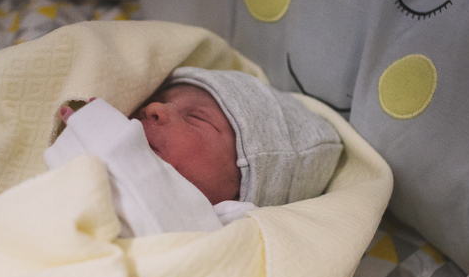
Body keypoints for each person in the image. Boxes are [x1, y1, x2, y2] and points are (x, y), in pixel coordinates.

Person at [44, 67, 343, 238]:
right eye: (160, 98)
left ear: (242, 190)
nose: (154, 107)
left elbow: (167, 228)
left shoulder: (231, 228)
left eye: (197, 118)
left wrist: (101, 139)